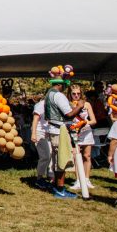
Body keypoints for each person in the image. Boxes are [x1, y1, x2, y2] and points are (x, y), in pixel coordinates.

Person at [44, 71, 85, 199]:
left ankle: (58, 187)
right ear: (61, 85)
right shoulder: (59, 95)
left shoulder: (49, 93)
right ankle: (60, 189)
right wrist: (79, 106)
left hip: (54, 129)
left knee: (58, 159)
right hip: (59, 130)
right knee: (61, 160)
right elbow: (69, 114)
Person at [69, 84, 97, 191]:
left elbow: (94, 120)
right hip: (74, 132)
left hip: (86, 132)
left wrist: (85, 123)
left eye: (78, 93)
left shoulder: (87, 104)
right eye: (74, 94)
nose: (76, 95)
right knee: (76, 156)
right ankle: (78, 180)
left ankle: (86, 179)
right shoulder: (68, 104)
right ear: (70, 94)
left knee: (87, 155)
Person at [31, 95, 53, 189]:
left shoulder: (53, 105)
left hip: (49, 133)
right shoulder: (41, 105)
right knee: (45, 156)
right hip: (39, 132)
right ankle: (39, 178)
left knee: (51, 155)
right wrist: (34, 133)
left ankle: (51, 176)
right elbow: (35, 119)